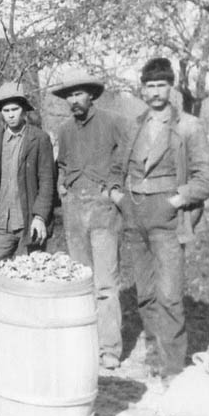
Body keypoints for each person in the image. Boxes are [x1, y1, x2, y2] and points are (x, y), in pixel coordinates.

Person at [116, 57, 209, 381]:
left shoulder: (188, 125)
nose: (156, 92)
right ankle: (153, 354)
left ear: (171, 87)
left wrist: (177, 199)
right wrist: (119, 199)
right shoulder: (134, 124)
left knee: (170, 295)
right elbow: (118, 170)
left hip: (168, 218)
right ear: (142, 89)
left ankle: (173, 367)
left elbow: (208, 178)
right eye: (150, 86)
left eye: (162, 85)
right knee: (145, 293)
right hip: (135, 217)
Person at [51, 69, 133, 371]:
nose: (74, 100)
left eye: (79, 94)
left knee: (105, 284)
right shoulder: (64, 130)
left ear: (91, 95)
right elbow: (61, 164)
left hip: (103, 210)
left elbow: (129, 153)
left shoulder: (112, 122)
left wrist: (113, 186)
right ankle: (85, 345)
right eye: (69, 95)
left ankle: (109, 348)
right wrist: (62, 188)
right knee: (80, 282)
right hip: (74, 211)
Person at [0, 81, 56, 352]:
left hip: (26, 224)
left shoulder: (39, 139)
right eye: (6, 110)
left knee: (25, 284)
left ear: (23, 111)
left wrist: (40, 217)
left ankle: (27, 340)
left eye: (15, 109)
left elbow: (47, 181)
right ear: (1, 112)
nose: (10, 114)